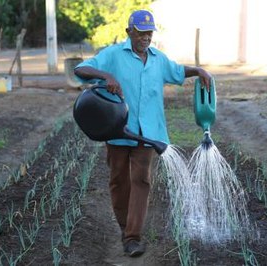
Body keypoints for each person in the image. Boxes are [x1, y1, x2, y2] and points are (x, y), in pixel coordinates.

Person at [74, 9, 212, 257]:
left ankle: (132, 237)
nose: (145, 38)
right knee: (119, 180)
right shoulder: (114, 55)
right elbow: (81, 69)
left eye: (149, 33)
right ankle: (124, 226)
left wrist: (199, 71)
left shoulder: (158, 59)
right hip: (116, 129)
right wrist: (105, 76)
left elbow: (178, 72)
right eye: (140, 33)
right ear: (129, 32)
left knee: (142, 180)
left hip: (148, 133)